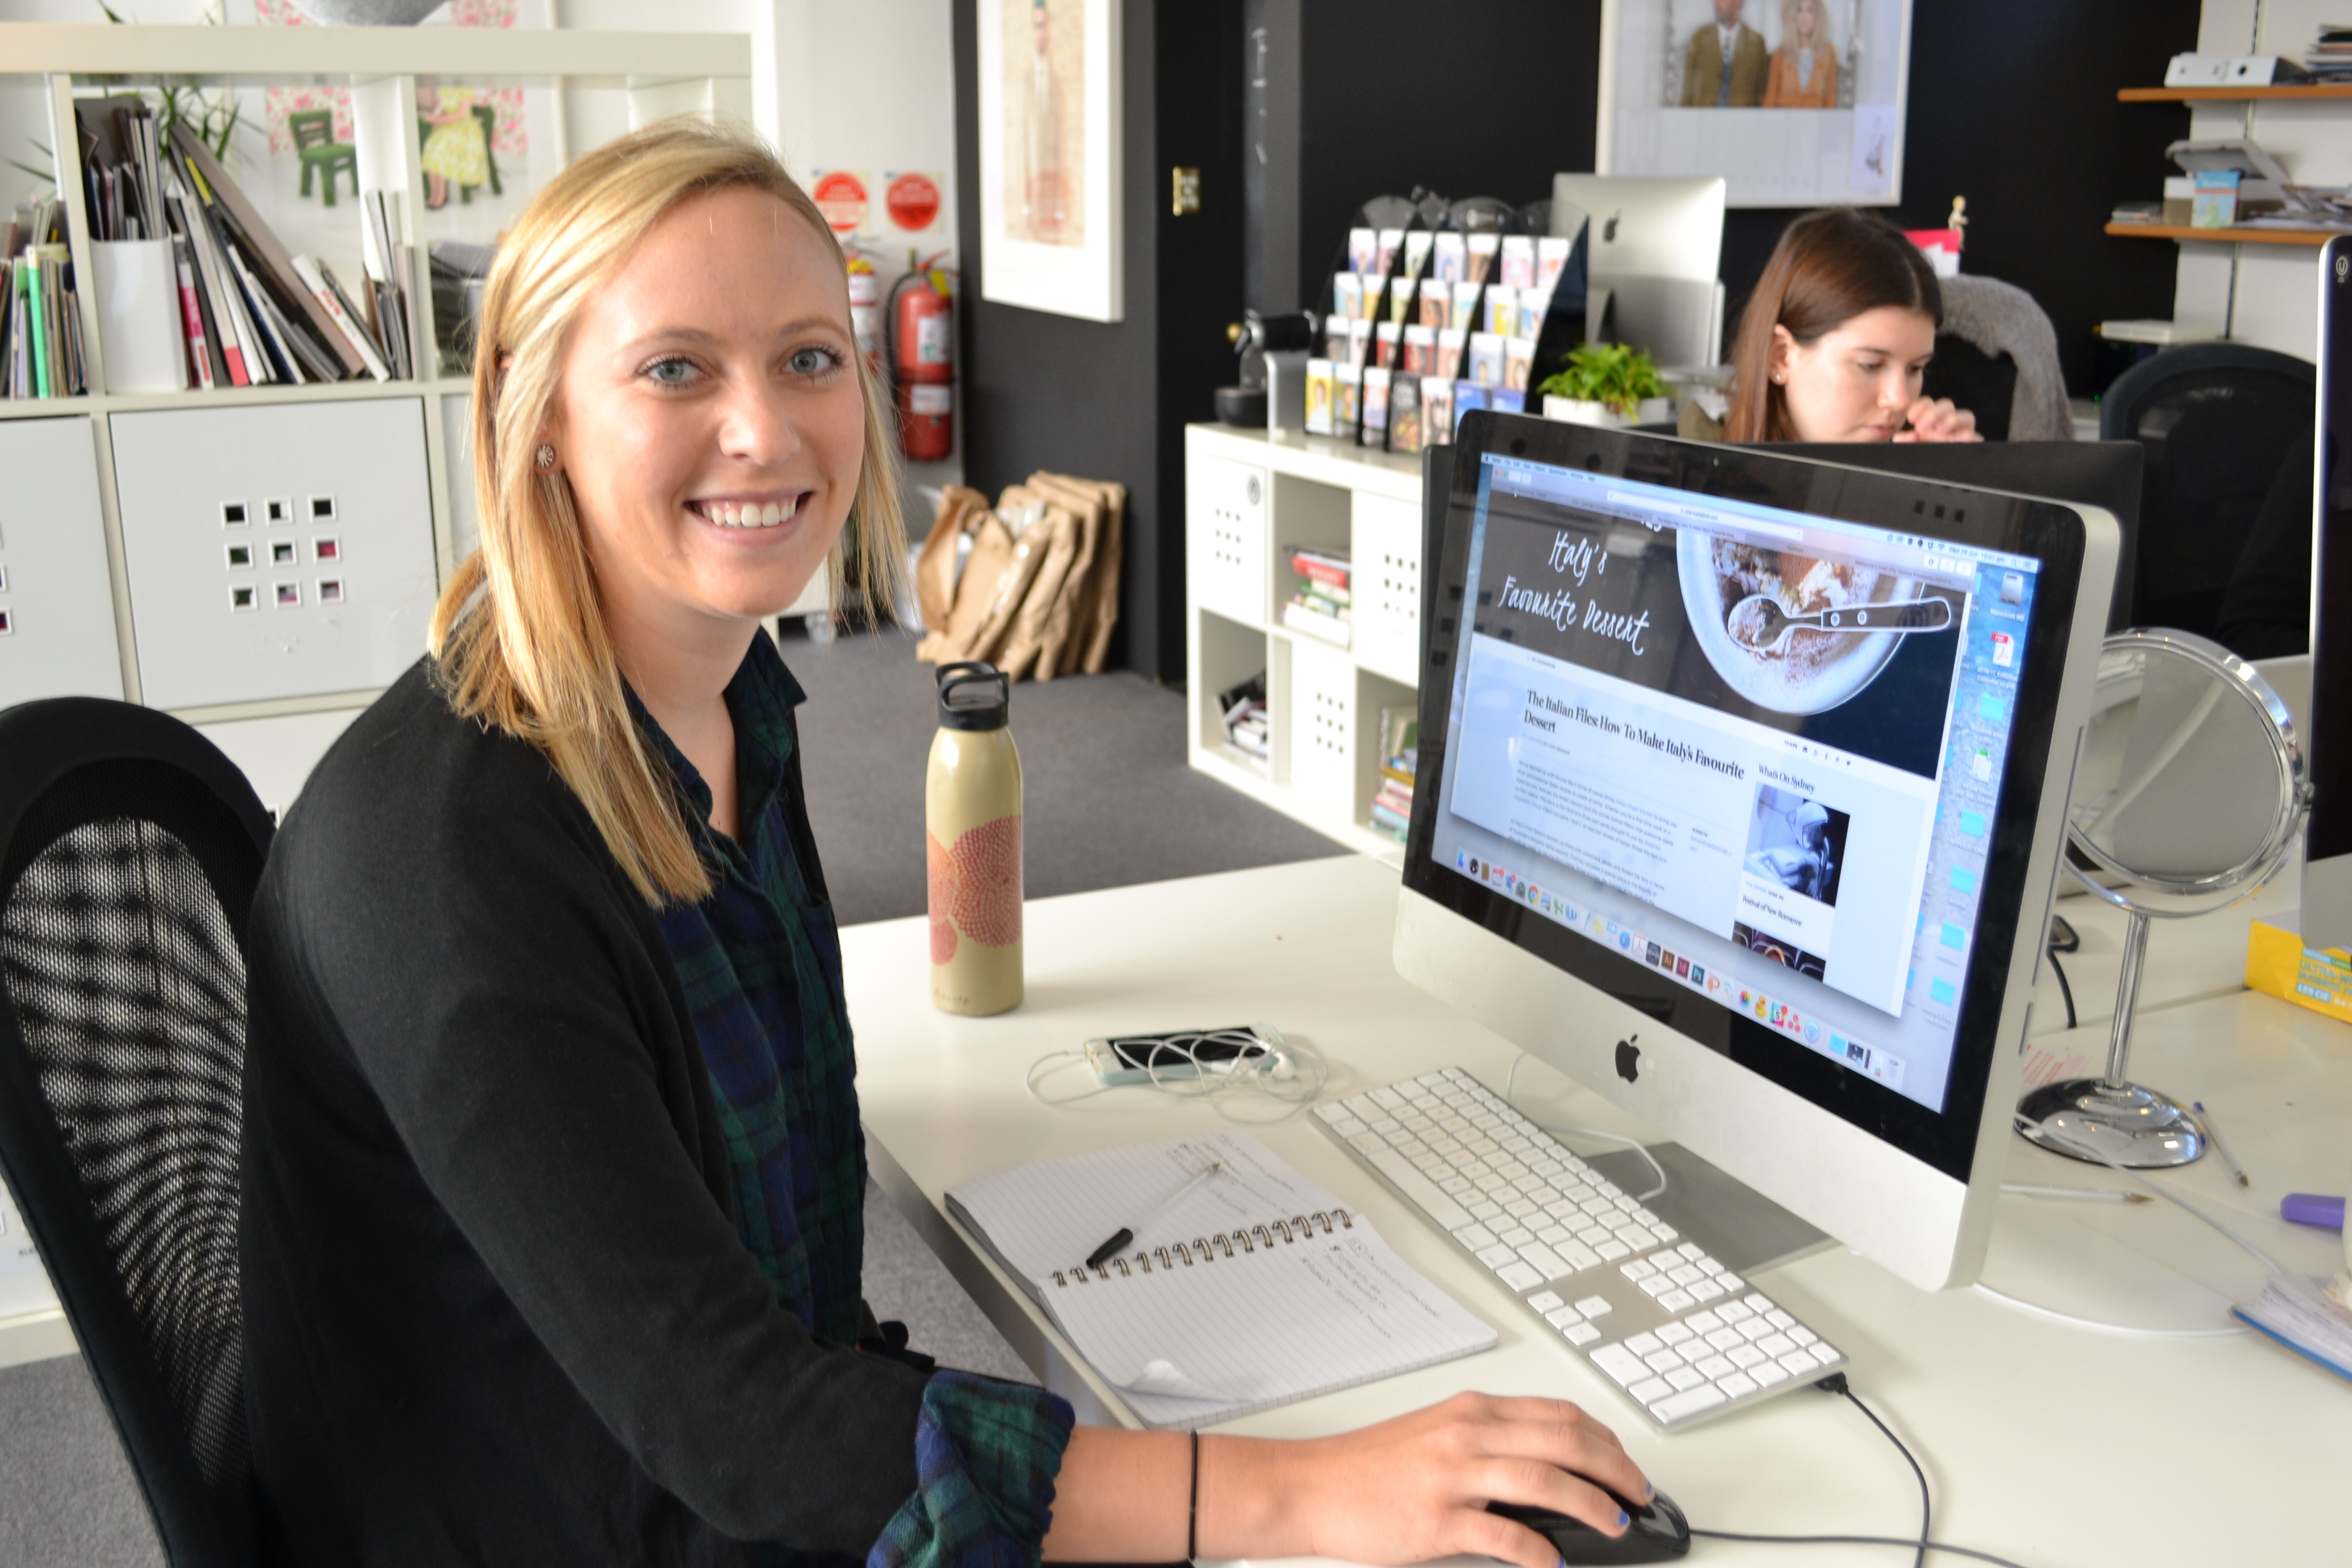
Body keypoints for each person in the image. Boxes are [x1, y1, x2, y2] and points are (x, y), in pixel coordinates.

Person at [238, 116, 1654, 1566]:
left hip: (701, 1461)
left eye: (808, 355)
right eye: (677, 368)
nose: (769, 431)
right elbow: (746, 1434)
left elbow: (784, 1305)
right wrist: (1295, 1491)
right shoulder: (449, 857)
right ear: (536, 412)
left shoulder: (732, 705)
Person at [1710, 207, 1979, 444]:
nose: (1900, 399)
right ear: (1780, 356)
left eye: (1915, 369)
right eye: (1870, 365)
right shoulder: (1693, 488)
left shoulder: (1914, 465)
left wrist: (1954, 492)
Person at [1682, 0, 1769, 107]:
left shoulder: (1756, 44)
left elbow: (1762, 94)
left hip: (1742, 120)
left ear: (1738, 2)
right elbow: (1688, 91)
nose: (1717, 4)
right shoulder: (1700, 40)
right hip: (1704, 119)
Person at [1762, 0, 1838, 108]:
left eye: (1810, 11)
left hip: (1816, 122)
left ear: (1818, 16)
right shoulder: (1780, 55)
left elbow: (1830, 101)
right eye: (1799, 11)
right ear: (1792, 15)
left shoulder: (1828, 54)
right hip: (1785, 121)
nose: (1804, 17)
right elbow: (1770, 100)